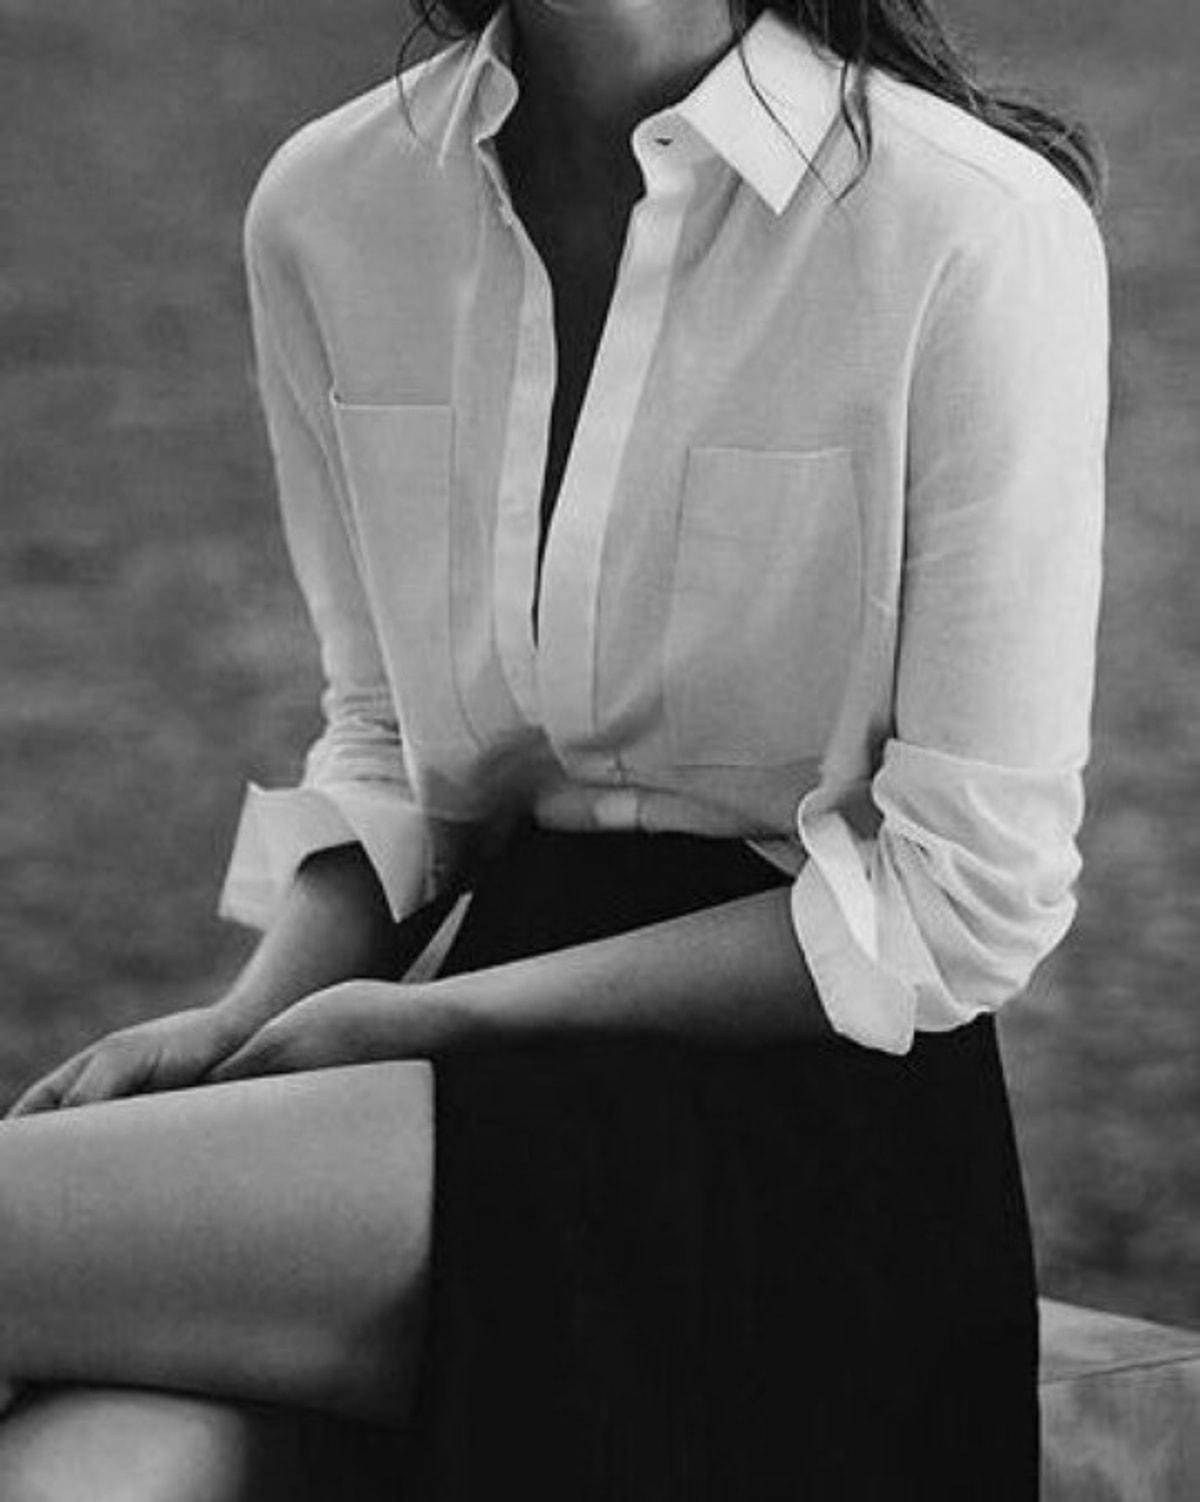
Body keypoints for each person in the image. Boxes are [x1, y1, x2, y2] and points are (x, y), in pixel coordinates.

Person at [0, 0, 1108, 1496]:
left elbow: (962, 899)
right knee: (75, 1474)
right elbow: (390, 738)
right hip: (431, 1092)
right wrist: (256, 1019)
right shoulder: (331, 208)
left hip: (799, 1133)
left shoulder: (970, 227)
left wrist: (432, 1025)